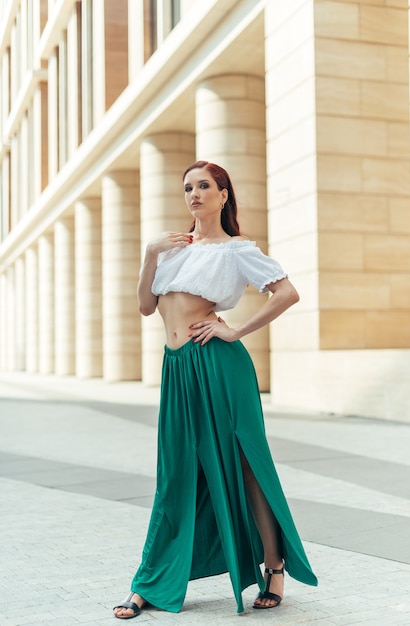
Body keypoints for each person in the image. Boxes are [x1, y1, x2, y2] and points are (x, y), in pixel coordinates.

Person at [113, 160, 317, 620]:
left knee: (246, 466)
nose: (195, 194)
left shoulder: (236, 250)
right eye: (188, 187)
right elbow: (147, 307)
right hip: (179, 368)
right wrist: (149, 254)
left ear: (224, 195)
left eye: (205, 186)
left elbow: (287, 293)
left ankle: (275, 567)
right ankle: (150, 581)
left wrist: (236, 331)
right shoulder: (170, 249)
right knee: (176, 474)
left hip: (218, 366)